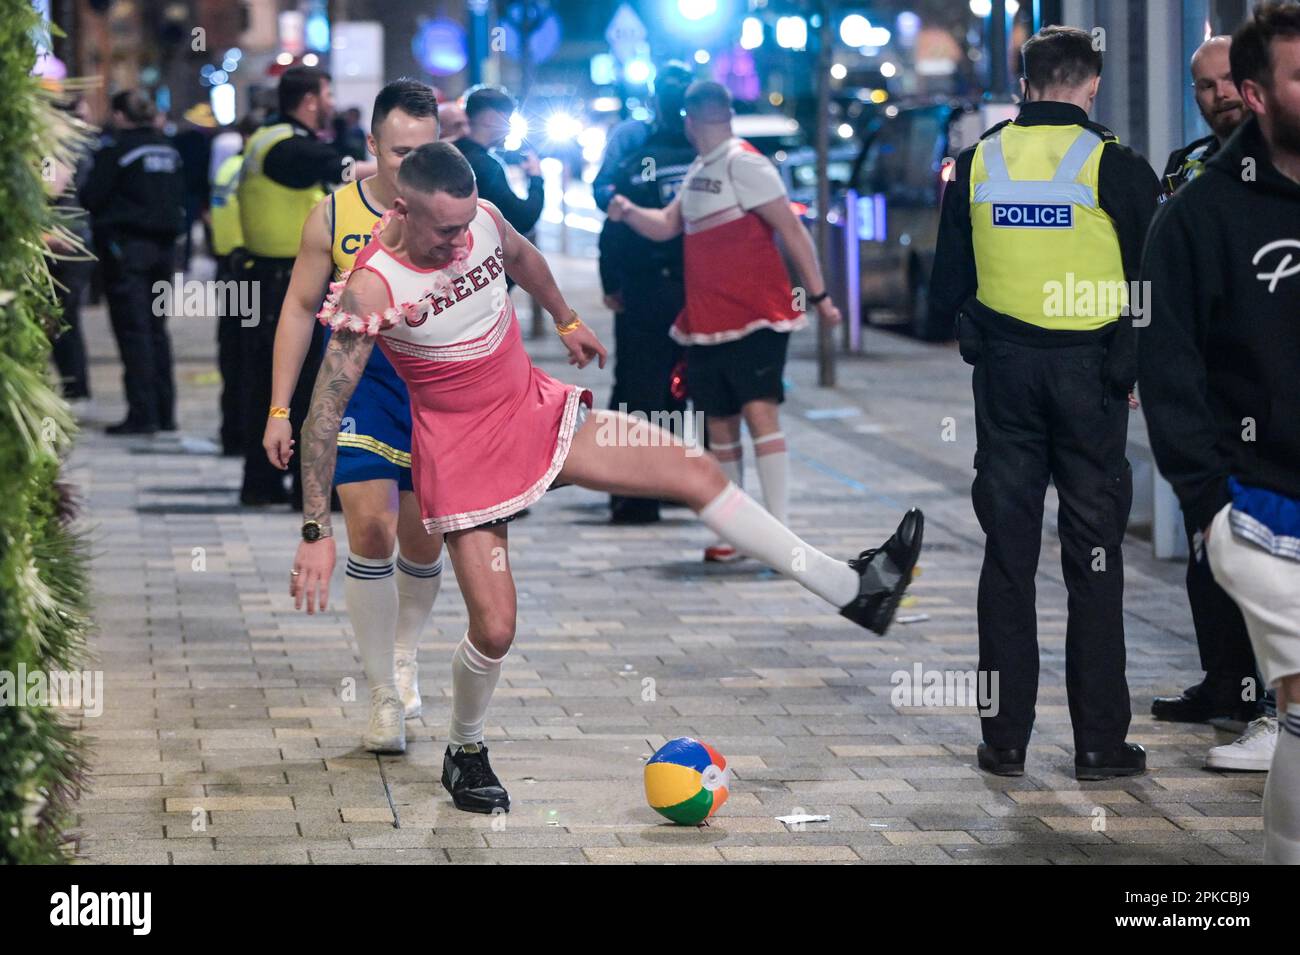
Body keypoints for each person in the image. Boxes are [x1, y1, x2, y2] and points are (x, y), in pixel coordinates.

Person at [290, 142, 924, 813]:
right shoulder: (373, 284)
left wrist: (566, 318)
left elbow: (523, 258)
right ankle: (465, 748)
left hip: (538, 414)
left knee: (693, 467)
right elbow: (323, 415)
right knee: (497, 629)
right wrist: (314, 529)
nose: (459, 238)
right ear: (401, 209)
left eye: (465, 222)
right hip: (465, 459)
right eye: (444, 230)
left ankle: (855, 588)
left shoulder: (480, 218)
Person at [927, 26, 1160, 780]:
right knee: (1094, 558)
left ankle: (1005, 741)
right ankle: (1097, 744)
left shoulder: (975, 160)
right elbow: (1149, 283)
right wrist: (1126, 365)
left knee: (1007, 558)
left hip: (1005, 379)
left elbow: (945, 288)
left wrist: (978, 338)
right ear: (1091, 84)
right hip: (1089, 379)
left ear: (1024, 83)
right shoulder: (1116, 164)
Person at [1139, 1, 1300, 862]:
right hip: (1263, 509)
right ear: (1259, 93)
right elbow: (1166, 364)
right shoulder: (1199, 213)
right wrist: (1208, 507)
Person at [263, 79, 444, 754]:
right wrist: (281, 408)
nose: (415, 166)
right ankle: (382, 693)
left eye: (427, 150)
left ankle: (404, 653)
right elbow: (295, 311)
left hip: (434, 395)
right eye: (401, 152)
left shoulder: (459, 207)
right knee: (371, 528)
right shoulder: (332, 216)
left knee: (424, 538)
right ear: (372, 146)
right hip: (360, 394)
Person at [608, 81, 842, 561]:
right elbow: (667, 226)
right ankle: (737, 535)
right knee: (719, 425)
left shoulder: (746, 164)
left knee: (759, 415)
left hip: (756, 317)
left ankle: (779, 534)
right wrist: (628, 212)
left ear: (693, 122)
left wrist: (818, 296)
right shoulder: (699, 171)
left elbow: (792, 231)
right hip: (707, 320)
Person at [1150, 32, 1277, 772]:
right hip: (1212, 400)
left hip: (1270, 401)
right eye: (1203, 86)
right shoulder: (1187, 170)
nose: (1218, 95)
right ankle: (1226, 684)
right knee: (1212, 556)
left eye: (1228, 80)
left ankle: (1273, 706)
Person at [236, 65, 376, 506]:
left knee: (271, 379)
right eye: (328, 93)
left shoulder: (273, 139)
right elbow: (341, 168)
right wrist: (404, 164)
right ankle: (299, 484)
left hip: (272, 275)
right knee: (295, 379)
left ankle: (268, 482)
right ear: (311, 99)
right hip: (278, 279)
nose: (332, 102)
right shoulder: (283, 145)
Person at [598, 62, 696, 524]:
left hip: (643, 290)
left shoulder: (638, 162)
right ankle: (682, 482)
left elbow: (613, 224)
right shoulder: (711, 162)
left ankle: (634, 495)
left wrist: (612, 283)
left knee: (638, 388)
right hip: (697, 289)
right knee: (687, 383)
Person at [79, 89, 185, 435]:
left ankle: (143, 415)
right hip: (164, 252)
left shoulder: (117, 151)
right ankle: (165, 413)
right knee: (156, 331)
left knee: (133, 331)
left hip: (127, 252)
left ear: (121, 116)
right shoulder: (167, 149)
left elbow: (91, 196)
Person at [210, 112, 261, 456]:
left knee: (232, 353)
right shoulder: (260, 173)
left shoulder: (228, 169)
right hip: (254, 266)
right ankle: (247, 433)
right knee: (255, 357)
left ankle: (233, 433)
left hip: (229, 268)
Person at [1161, 36, 1249, 196]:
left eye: (1230, 79)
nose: (1220, 94)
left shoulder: (1288, 157)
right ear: (1197, 99)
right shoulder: (1183, 164)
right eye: (1207, 86)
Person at [453, 86, 544, 235]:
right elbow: (522, 219)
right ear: (490, 119)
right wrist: (536, 177)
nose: (509, 129)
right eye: (507, 119)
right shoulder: (486, 166)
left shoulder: (453, 152)